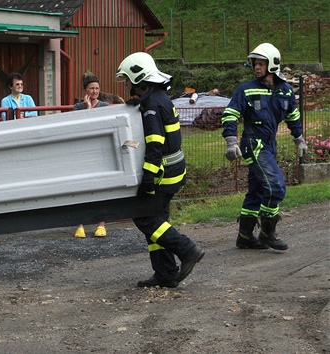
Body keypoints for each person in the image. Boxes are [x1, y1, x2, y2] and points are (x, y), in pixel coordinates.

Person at [116, 52, 205, 288]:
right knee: (158, 220)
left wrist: (148, 177)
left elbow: (155, 143)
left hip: (164, 173)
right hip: (175, 169)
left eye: (128, 80)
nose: (126, 85)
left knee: (145, 217)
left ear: (139, 78)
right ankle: (165, 273)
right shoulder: (157, 99)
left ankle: (187, 250)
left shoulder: (152, 105)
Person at [222, 43, 306, 251]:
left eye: (261, 63)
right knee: (275, 186)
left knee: (258, 190)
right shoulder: (246, 89)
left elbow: (293, 116)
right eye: (255, 64)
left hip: (270, 143)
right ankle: (268, 233)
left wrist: (299, 139)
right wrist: (231, 141)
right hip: (253, 143)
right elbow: (230, 115)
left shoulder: (286, 91)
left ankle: (245, 236)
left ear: (273, 64)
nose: (256, 68)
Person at [73, 72, 110, 238]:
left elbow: (103, 127)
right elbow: (81, 128)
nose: (94, 91)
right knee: (81, 188)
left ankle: (101, 224)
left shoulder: (104, 107)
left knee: (101, 189)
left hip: (101, 152)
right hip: (82, 152)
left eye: (97, 88)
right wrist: (87, 109)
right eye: (91, 88)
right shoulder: (78, 108)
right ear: (85, 90)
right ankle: (80, 225)